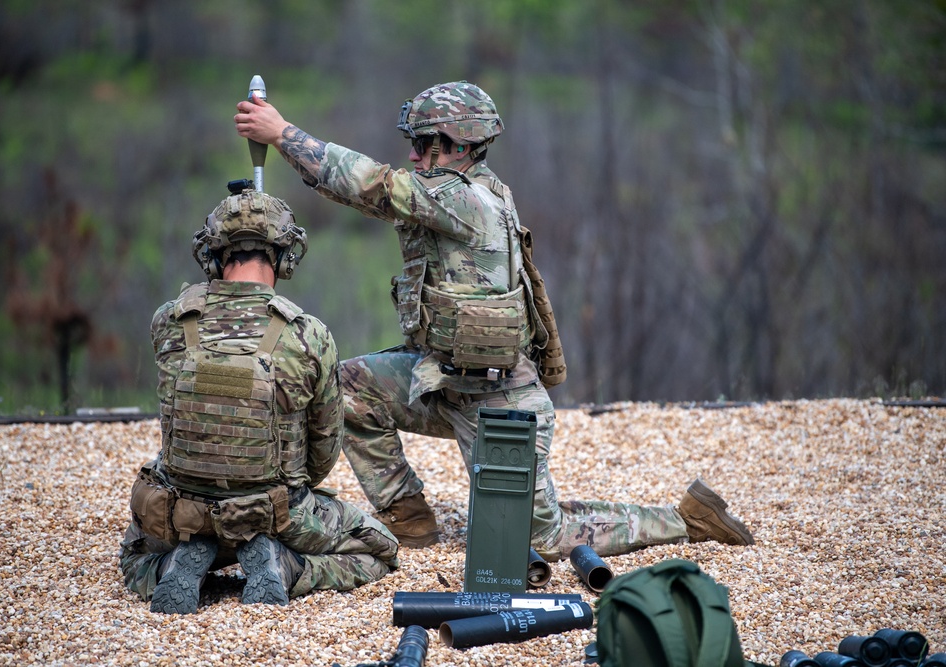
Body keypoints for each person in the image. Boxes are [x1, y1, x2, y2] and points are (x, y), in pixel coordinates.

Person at [234, 81, 754, 561]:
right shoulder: (461, 189)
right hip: (445, 380)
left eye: (424, 143)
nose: (414, 154)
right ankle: (410, 519)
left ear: (458, 145)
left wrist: (282, 135)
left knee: (540, 539)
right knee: (350, 388)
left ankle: (687, 520)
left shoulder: (463, 198)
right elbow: (373, 193)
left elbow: (371, 184)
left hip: (501, 401)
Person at [119, 184, 399, 614]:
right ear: (286, 257)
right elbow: (323, 451)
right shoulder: (308, 335)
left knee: (134, 556)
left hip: (182, 511)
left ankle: (180, 561)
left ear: (212, 255)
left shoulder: (169, 321)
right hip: (274, 511)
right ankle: (285, 565)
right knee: (380, 549)